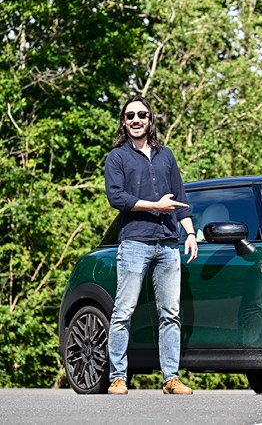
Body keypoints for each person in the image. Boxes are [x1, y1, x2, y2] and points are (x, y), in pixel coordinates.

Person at [104, 95, 198, 395]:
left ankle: (171, 378)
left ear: (150, 120)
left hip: (168, 245)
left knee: (170, 313)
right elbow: (116, 197)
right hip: (134, 242)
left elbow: (180, 197)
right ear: (123, 121)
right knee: (123, 311)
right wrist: (154, 206)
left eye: (141, 115)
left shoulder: (166, 155)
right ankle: (117, 377)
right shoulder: (117, 157)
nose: (135, 120)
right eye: (130, 115)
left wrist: (191, 233)